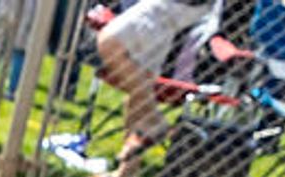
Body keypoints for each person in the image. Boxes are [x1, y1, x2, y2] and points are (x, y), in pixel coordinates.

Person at [91, 0, 215, 164]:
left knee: (108, 42)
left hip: (170, 6)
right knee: (141, 83)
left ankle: (155, 120)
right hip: (175, 12)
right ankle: (127, 171)